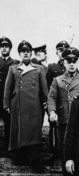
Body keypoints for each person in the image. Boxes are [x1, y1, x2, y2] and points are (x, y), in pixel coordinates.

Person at [3, 40, 48, 168]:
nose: (26, 54)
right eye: (23, 52)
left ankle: (34, 159)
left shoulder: (39, 69)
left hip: (35, 105)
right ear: (19, 54)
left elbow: (45, 89)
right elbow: (7, 88)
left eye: (28, 51)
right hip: (17, 105)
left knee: (34, 131)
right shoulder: (13, 69)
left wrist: (46, 103)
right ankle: (20, 156)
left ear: (31, 53)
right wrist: (6, 104)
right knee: (19, 129)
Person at [48, 47, 79, 176]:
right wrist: (52, 112)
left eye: (74, 61)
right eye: (69, 61)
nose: (71, 64)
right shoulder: (57, 80)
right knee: (65, 152)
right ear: (64, 62)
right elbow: (51, 97)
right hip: (64, 121)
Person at [46, 40, 69, 159]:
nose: (62, 52)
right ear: (57, 53)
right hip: (55, 103)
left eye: (65, 50)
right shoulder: (52, 67)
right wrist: (48, 105)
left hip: (68, 103)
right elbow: (46, 85)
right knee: (54, 127)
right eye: (60, 50)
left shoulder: (71, 66)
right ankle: (53, 151)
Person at [0, 37, 19, 151]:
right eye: (2, 46)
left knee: (9, 123)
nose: (4, 48)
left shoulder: (15, 63)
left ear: (10, 48)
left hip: (8, 98)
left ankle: (8, 148)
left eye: (6, 46)